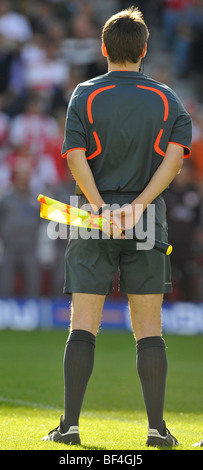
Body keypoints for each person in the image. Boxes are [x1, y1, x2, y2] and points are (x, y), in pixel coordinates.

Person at [42, 7, 192, 447]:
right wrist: (138, 207)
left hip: (92, 217)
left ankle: (69, 427)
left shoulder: (84, 94)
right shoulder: (167, 97)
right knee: (149, 327)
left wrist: (101, 207)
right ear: (144, 50)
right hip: (148, 219)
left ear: (103, 48)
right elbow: (176, 156)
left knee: (83, 323)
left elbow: (74, 156)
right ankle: (156, 431)